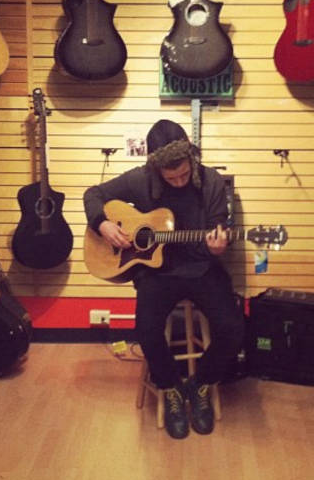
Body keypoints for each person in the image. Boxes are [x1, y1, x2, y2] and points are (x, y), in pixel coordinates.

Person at [83, 119, 244, 439]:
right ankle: (170, 387)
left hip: (201, 268)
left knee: (232, 328)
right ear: (156, 169)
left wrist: (219, 245)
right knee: (146, 329)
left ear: (191, 159)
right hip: (157, 272)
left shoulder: (211, 181)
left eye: (184, 173)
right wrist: (103, 224)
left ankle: (200, 384)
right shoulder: (140, 179)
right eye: (171, 178)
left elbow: (218, 224)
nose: (180, 181)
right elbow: (94, 194)